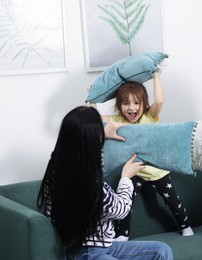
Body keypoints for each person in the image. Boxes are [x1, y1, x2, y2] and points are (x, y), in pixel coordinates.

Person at [37, 106, 173, 260]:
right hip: (86, 253)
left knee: (161, 251)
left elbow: (84, 152)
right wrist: (126, 178)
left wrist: (101, 135)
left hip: (103, 247)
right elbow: (121, 210)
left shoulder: (56, 165)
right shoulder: (91, 186)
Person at [102, 69, 194, 240]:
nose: (131, 108)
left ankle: (185, 225)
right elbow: (93, 118)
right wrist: (93, 97)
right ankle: (123, 234)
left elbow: (159, 101)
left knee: (173, 201)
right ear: (119, 106)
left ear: (144, 104)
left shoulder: (148, 116)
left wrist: (156, 77)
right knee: (125, 201)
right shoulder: (118, 121)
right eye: (126, 104)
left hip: (155, 170)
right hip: (133, 170)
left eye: (136, 103)